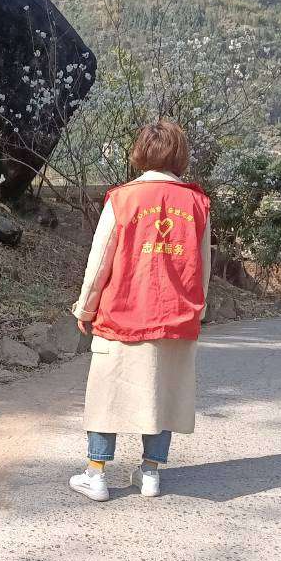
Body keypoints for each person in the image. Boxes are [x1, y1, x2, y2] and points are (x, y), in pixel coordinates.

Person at [68, 120, 212, 502]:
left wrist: (85, 308)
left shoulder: (122, 199)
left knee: (106, 394)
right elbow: (202, 268)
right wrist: (196, 313)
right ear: (180, 155)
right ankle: (150, 473)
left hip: (123, 314)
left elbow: (100, 261)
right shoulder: (197, 203)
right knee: (163, 393)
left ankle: (96, 474)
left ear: (140, 153)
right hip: (176, 317)